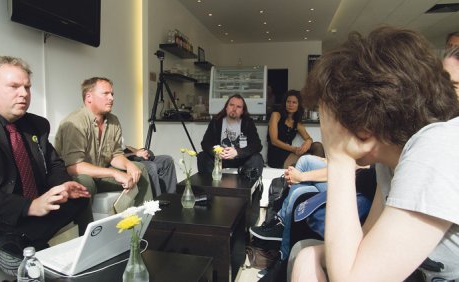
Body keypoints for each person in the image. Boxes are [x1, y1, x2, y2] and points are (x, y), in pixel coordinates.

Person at [291, 27, 459, 282]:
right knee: (302, 252)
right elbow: (365, 243)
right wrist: (309, 257)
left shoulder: (438, 146)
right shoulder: (389, 160)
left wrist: (339, 157)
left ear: (364, 124)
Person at [0, 55, 90, 276]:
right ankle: (13, 243)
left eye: (27, 87)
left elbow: (55, 165)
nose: (24, 94)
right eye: (14, 86)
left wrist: (63, 186)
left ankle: (18, 242)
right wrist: (29, 207)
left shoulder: (36, 125)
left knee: (80, 196)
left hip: (32, 205)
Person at [55, 77, 153, 219]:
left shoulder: (113, 121)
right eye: (105, 94)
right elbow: (73, 167)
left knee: (140, 169)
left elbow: (114, 155)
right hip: (75, 177)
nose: (111, 98)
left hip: (100, 175)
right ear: (89, 97)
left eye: (112, 94)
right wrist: (114, 173)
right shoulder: (75, 122)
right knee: (85, 181)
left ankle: (146, 224)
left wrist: (128, 165)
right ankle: (87, 235)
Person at [197, 94, 264, 175]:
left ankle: (249, 186)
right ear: (226, 107)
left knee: (257, 158)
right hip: (220, 159)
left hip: (241, 159)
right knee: (202, 156)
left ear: (242, 111)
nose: (234, 108)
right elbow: (205, 143)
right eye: (231, 105)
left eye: (238, 107)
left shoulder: (247, 122)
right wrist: (216, 151)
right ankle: (208, 186)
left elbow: (257, 145)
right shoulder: (216, 121)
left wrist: (238, 152)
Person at [267, 90, 324, 168]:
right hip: (276, 154)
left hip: (290, 152)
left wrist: (308, 141)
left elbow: (308, 137)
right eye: (288, 102)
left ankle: (319, 173)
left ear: (298, 105)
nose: (291, 105)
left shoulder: (297, 123)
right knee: (308, 164)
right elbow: (274, 141)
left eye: (294, 102)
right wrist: (294, 149)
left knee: (318, 146)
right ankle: (317, 173)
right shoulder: (276, 115)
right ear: (285, 103)